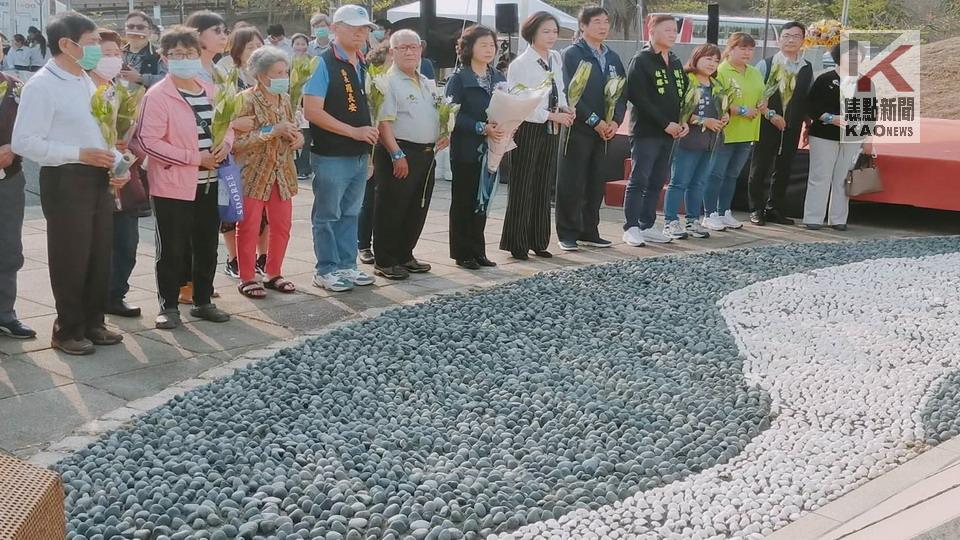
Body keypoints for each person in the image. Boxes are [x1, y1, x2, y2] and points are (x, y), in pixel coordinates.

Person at [12, 13, 129, 354]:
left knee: (98, 252)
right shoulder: (42, 85)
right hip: (66, 178)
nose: (99, 50)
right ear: (66, 44)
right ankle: (67, 329)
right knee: (71, 255)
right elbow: (24, 142)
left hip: (98, 177)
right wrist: (78, 153)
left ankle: (94, 322)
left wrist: (116, 163)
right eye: (92, 43)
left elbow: (103, 133)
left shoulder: (85, 80)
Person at [135, 25, 233, 329]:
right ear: (165, 58)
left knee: (206, 244)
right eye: (176, 54)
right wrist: (194, 159)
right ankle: (169, 305)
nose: (183, 59)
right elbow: (149, 141)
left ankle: (203, 300)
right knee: (172, 248)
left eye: (188, 53)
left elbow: (227, 125)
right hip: (172, 186)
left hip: (209, 182)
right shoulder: (158, 96)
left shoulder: (211, 91)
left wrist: (224, 146)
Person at [303, 4, 379, 292]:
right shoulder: (323, 62)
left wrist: (368, 150)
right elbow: (312, 110)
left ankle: (348, 265)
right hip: (332, 153)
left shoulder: (363, 63)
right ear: (335, 29)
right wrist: (353, 132)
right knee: (327, 214)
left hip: (359, 154)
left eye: (364, 28)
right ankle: (326, 269)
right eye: (353, 27)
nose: (361, 33)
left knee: (351, 212)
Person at [371, 29, 447, 280]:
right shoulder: (388, 81)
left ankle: (405, 254)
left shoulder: (426, 81)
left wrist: (444, 131)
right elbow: (384, 123)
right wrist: (396, 154)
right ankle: (385, 259)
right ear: (392, 52)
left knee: (417, 206)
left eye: (414, 47)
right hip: (401, 151)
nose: (409, 51)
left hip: (426, 153)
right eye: (402, 47)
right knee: (392, 207)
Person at [500, 12, 574, 260]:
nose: (552, 36)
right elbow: (521, 102)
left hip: (551, 126)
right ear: (532, 33)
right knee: (523, 184)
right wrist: (552, 115)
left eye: (554, 31)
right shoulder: (520, 64)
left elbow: (559, 88)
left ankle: (539, 239)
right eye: (546, 31)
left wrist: (564, 107)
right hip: (529, 126)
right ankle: (517, 242)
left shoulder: (555, 58)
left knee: (543, 183)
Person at [232, 46, 301, 297]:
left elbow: (291, 127)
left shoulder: (284, 99)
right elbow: (236, 142)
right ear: (261, 76)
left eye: (286, 72)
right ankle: (247, 276)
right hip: (254, 173)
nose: (283, 77)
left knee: (282, 225)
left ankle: (273, 272)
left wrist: (296, 137)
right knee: (249, 226)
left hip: (282, 173)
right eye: (278, 73)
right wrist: (272, 130)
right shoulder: (245, 99)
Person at [555, 6, 626, 252]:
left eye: (606, 21)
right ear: (582, 26)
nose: (603, 26)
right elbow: (570, 93)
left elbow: (622, 93)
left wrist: (615, 121)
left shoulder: (613, 57)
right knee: (572, 181)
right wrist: (595, 121)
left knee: (596, 181)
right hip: (580, 127)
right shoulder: (572, 54)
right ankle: (568, 232)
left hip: (606, 131)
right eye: (597, 22)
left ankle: (590, 230)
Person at [88, 29, 144, 319]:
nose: (111, 59)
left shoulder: (127, 92)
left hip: (123, 175)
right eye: (104, 53)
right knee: (96, 245)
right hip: (91, 177)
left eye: (115, 54)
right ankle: (92, 302)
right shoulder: (83, 90)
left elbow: (140, 136)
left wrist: (127, 146)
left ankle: (116, 294)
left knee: (127, 243)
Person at [622, 14, 688, 247]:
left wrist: (684, 120)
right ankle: (630, 226)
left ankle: (647, 224)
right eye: (668, 30)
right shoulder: (642, 60)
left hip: (669, 133)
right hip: (646, 132)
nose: (673, 34)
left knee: (658, 180)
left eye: (674, 30)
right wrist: (664, 123)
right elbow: (637, 96)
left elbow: (684, 95)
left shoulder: (676, 61)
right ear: (652, 31)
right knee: (639, 179)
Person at [444, 24, 505, 270]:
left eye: (492, 45)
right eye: (484, 45)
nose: (489, 49)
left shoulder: (499, 78)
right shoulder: (459, 79)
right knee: (464, 200)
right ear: (469, 48)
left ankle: (478, 250)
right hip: (467, 149)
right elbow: (452, 116)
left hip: (493, 148)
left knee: (483, 201)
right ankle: (462, 252)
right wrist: (481, 127)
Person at [748, 21, 813, 226]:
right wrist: (770, 115)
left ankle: (773, 207)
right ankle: (756, 209)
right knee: (760, 167)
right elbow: (754, 98)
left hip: (792, 126)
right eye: (786, 36)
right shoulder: (766, 65)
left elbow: (806, 97)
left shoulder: (807, 67)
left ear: (803, 41)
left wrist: (807, 123)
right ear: (779, 40)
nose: (791, 40)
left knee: (784, 168)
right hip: (767, 124)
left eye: (796, 36)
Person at [661, 44, 726, 240]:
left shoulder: (717, 85)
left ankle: (692, 220)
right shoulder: (685, 80)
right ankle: (670, 221)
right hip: (688, 140)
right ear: (696, 58)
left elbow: (723, 108)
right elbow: (680, 111)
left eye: (716, 60)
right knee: (679, 182)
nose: (712, 64)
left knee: (698, 183)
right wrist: (702, 120)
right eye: (708, 59)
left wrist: (724, 118)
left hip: (710, 141)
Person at [804, 41, 869, 231]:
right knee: (820, 176)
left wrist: (868, 140)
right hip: (824, 134)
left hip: (852, 137)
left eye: (858, 55)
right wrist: (830, 118)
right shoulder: (825, 79)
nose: (854, 58)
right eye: (850, 54)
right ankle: (813, 217)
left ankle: (838, 219)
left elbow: (871, 113)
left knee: (843, 178)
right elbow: (812, 106)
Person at [702, 32, 764, 232]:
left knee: (732, 175)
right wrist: (741, 110)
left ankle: (724, 211)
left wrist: (763, 105)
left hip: (747, 131)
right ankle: (709, 212)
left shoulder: (754, 72)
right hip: (725, 131)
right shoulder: (721, 71)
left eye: (750, 49)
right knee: (716, 174)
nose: (747, 53)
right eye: (742, 48)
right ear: (730, 48)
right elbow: (716, 101)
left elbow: (760, 96)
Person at [0, 37, 34, 340]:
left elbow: (32, 129)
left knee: (8, 249)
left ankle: (5, 313)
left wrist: (15, 147)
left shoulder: (16, 87)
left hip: (8, 179)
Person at [357, 41, 391, 265]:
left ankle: (384, 243)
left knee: (386, 200)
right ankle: (363, 245)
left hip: (394, 145)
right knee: (368, 199)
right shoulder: (371, 82)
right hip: (373, 143)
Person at [120, 11, 165, 88]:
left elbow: (167, 80)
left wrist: (140, 78)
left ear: (150, 32)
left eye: (140, 27)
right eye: (130, 26)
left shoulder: (160, 54)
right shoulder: (117, 53)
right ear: (125, 30)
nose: (135, 30)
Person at [292, 32, 313, 180]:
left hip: (307, 102)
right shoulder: (287, 62)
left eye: (303, 43)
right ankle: (294, 167)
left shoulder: (312, 61)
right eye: (297, 43)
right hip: (292, 103)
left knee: (306, 136)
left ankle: (304, 167)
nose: (300, 46)